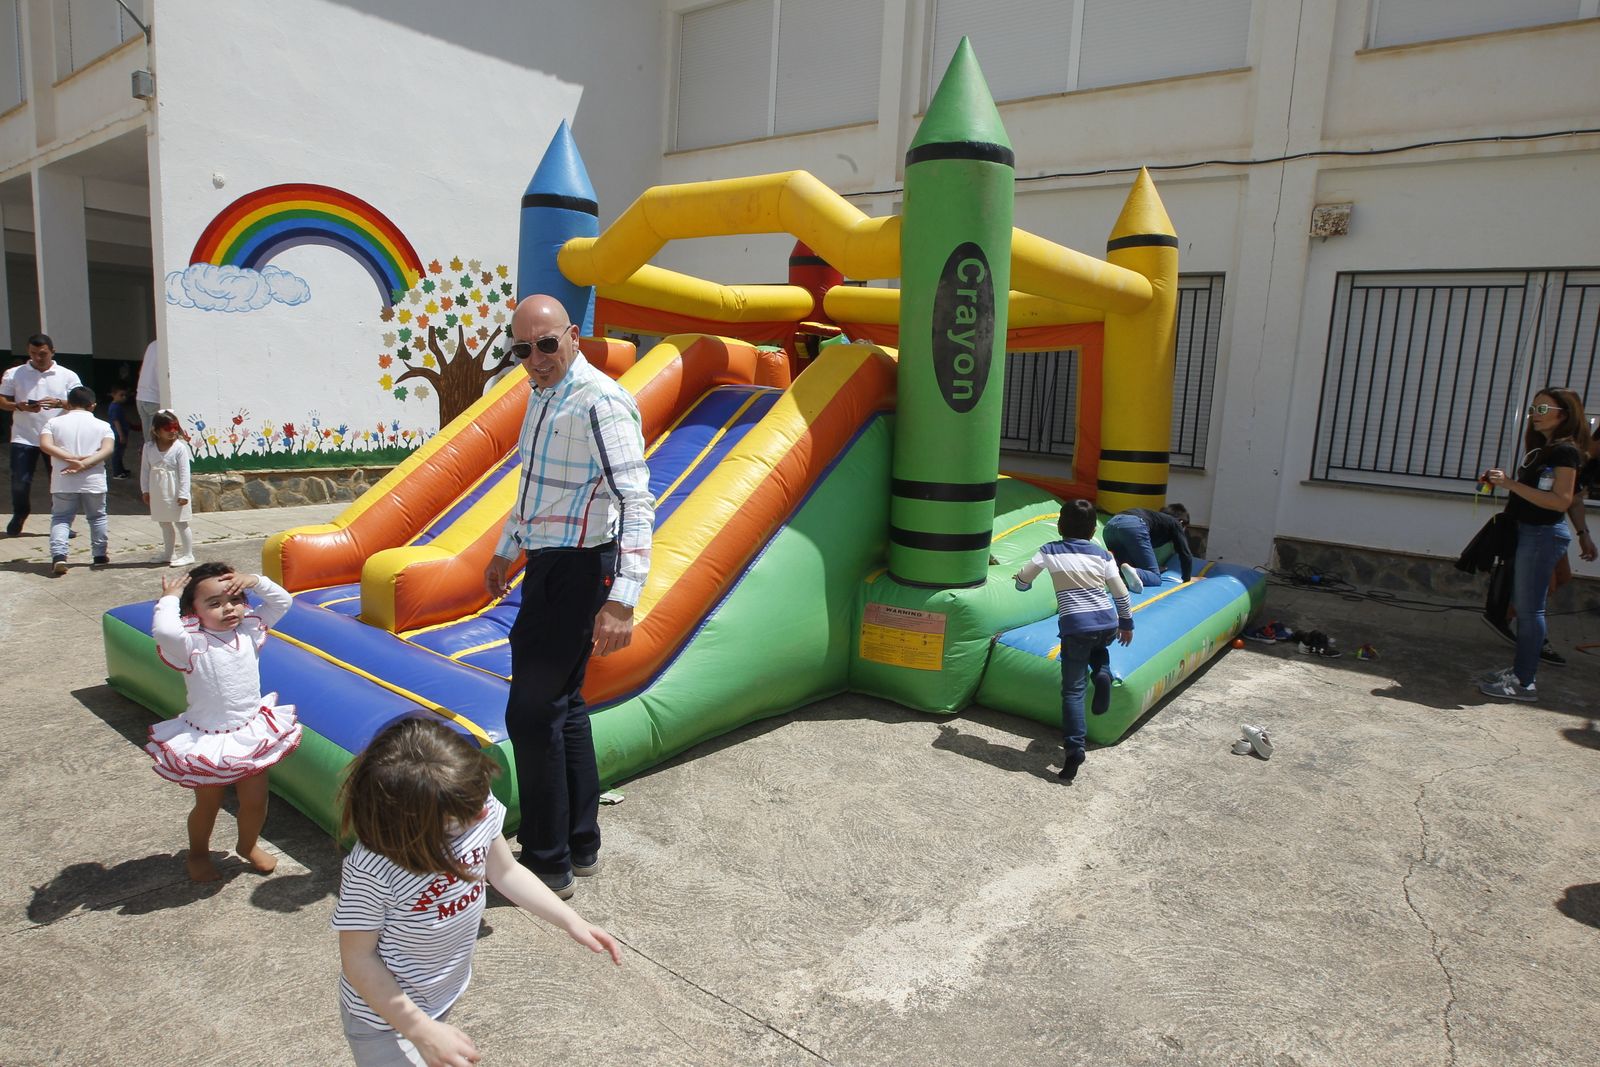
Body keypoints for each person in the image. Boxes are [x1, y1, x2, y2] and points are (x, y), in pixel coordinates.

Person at [483, 295, 653, 900]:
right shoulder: (540, 393)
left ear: (573, 337)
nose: (535, 359)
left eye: (547, 344)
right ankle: (580, 842)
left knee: (529, 715)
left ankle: (546, 859)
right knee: (562, 705)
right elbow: (533, 485)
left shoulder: (600, 401)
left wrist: (623, 598)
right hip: (551, 562)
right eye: (522, 349)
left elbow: (635, 499)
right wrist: (509, 547)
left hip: (582, 571)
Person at [333, 717, 623, 1067]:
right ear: (415, 824)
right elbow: (358, 959)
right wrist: (420, 1029)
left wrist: (569, 920)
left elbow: (506, 871)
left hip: (441, 993)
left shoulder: (469, 804)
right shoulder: (373, 870)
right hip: (382, 1019)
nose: (485, 811)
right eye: (467, 812)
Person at [145, 563, 302, 881]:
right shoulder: (191, 644)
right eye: (214, 604)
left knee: (256, 802)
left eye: (234, 599)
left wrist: (255, 580)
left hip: (249, 734)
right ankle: (199, 854)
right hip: (208, 740)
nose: (228, 609)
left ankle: (248, 846)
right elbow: (163, 630)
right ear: (194, 611)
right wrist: (171, 598)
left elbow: (282, 601)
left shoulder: (249, 630)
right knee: (208, 804)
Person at [1478, 388, 1591, 702]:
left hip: (1542, 535)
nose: (1534, 414)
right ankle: (1519, 671)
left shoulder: (1564, 452)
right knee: (1525, 607)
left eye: (1542, 408)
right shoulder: (1546, 449)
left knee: (1529, 611)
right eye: (1532, 408)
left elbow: (1561, 501)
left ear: (1563, 414)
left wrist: (1509, 484)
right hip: (1532, 533)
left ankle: (1524, 681)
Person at [1014, 498, 1134, 784]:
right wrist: (1126, 623)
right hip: (1106, 621)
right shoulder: (1103, 556)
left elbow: (1024, 579)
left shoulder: (1049, 551)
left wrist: (1020, 582)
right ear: (1094, 530)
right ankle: (1103, 672)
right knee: (1099, 646)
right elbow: (1120, 592)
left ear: (1059, 526)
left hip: (1076, 626)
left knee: (1073, 692)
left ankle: (1074, 750)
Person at [0, 334, 83, 536]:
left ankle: (62, 522)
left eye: (43, 354)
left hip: (57, 438)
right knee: (20, 480)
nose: (38, 358)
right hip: (24, 436)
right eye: (33, 353)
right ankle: (20, 513)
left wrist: (60, 403)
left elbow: (82, 402)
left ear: (52, 352)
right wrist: (19, 406)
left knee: (59, 481)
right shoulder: (14, 373)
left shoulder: (67, 375)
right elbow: (2, 401)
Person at [38, 386, 114, 574]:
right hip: (93, 479)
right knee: (97, 517)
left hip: (63, 479)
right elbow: (107, 450)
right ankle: (99, 555)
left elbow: (45, 445)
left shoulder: (53, 423)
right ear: (93, 405)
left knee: (61, 518)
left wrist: (70, 458)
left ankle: (59, 556)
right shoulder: (103, 426)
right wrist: (85, 463)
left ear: (69, 404)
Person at [1101, 503, 1194, 594]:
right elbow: (1185, 554)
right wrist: (1187, 580)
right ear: (1181, 522)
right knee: (1155, 578)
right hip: (1132, 526)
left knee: (1122, 567)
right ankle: (1135, 572)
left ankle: (1110, 565)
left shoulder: (1156, 520)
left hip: (1109, 526)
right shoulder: (1175, 523)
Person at [141, 410, 195, 566]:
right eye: (167, 428)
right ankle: (169, 553)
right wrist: (145, 490)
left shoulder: (179, 448)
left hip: (175, 490)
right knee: (164, 522)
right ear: (156, 430)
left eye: (174, 428)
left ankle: (188, 554)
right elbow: (145, 470)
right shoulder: (149, 447)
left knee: (181, 522)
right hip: (158, 490)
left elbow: (185, 472)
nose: (172, 432)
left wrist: (184, 493)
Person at [135, 338, 162, 438]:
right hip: (154, 399)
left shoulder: (152, 345)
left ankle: (145, 453)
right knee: (156, 441)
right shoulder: (166, 346)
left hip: (141, 396)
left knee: (148, 440)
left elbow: (140, 371)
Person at [105, 385, 134, 479]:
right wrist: (121, 435)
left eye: (125, 395)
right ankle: (117, 473)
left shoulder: (118, 406)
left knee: (120, 453)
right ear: (113, 395)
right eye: (121, 395)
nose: (124, 397)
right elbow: (116, 421)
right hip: (117, 434)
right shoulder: (114, 407)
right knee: (117, 453)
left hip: (121, 432)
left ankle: (121, 469)